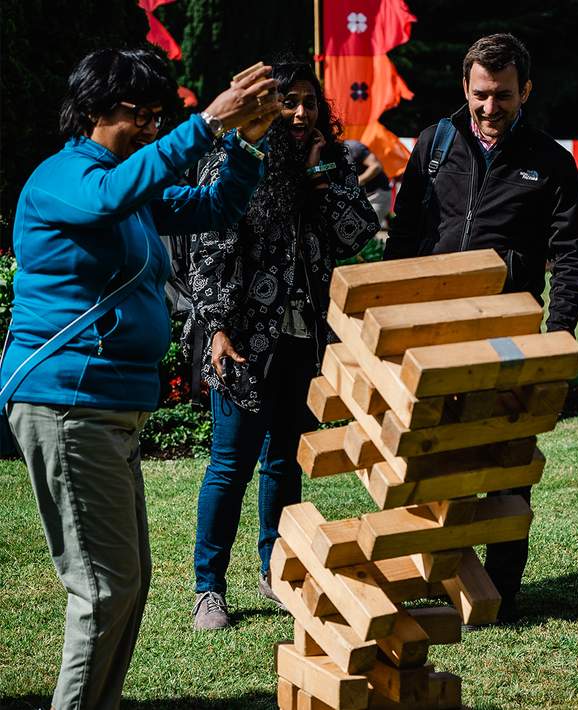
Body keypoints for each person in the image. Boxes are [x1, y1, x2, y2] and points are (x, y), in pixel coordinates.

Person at [0, 47, 280, 708]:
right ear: (96, 109)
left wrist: (245, 144)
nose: (152, 129)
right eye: (141, 115)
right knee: (103, 588)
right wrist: (208, 121)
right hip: (67, 403)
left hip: (108, 408)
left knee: (130, 581)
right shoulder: (64, 178)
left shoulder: (129, 187)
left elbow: (215, 207)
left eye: (161, 116)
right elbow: (112, 195)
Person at [384, 33, 578, 621]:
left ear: (526, 90)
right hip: (434, 336)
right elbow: (403, 240)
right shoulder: (433, 145)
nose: (490, 107)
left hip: (511, 337)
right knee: (431, 461)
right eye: (480, 95)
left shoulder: (550, 160)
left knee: (506, 464)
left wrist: (562, 334)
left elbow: (572, 255)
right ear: (464, 88)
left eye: (503, 95)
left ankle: (500, 588)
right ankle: (439, 575)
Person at [184, 61, 379, 630]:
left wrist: (323, 175)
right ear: (265, 106)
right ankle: (208, 589)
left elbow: (357, 232)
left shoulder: (323, 162)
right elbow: (208, 247)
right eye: (288, 101)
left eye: (310, 103)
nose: (300, 113)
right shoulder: (235, 158)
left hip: (302, 337)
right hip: (244, 337)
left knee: (284, 460)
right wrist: (215, 326)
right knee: (230, 465)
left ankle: (277, 568)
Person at [344, 139, 392, 228]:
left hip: (377, 194)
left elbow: (376, 166)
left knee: (365, 230)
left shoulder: (354, 147)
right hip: (360, 197)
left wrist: (357, 182)